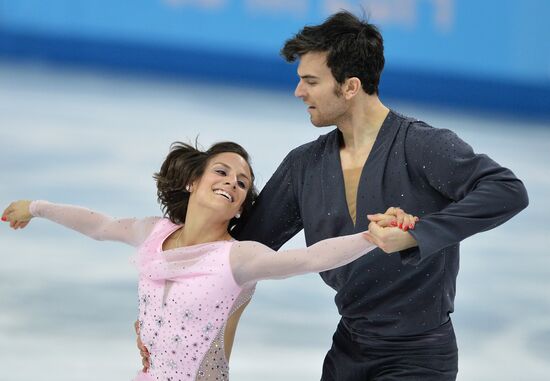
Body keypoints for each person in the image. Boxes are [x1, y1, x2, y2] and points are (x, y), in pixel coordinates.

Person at [154, 11, 524, 381]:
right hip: (348, 352)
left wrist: (417, 234)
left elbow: (506, 190)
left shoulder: (421, 145)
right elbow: (237, 251)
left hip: (419, 356)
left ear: (350, 86)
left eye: (311, 81)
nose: (299, 92)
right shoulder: (305, 165)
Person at [2, 141, 416, 381]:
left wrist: (369, 237)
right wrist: (36, 207)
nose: (231, 184)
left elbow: (308, 259)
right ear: (192, 181)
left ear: (240, 208)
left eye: (242, 183)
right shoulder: (154, 233)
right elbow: (101, 225)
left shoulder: (237, 257)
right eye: (221, 171)